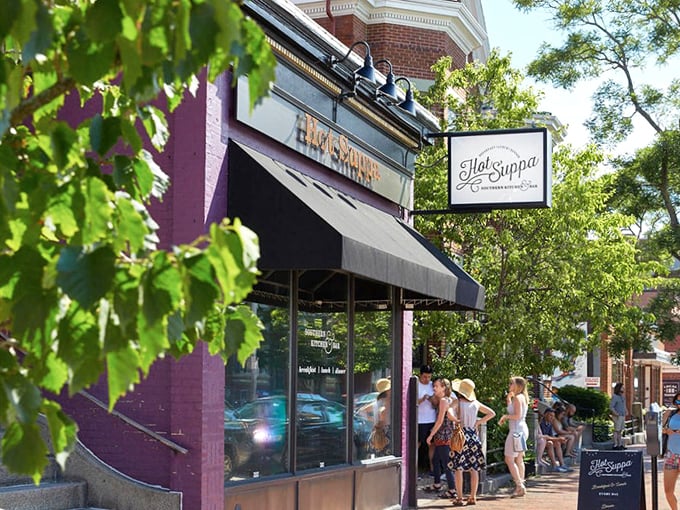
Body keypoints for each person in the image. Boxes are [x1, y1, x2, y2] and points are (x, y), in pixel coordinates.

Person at [450, 378, 496, 507]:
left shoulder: (458, 402)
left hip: (461, 436)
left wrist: (455, 419)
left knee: (458, 468)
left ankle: (459, 498)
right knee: (474, 468)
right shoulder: (476, 403)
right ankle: (472, 496)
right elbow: (492, 413)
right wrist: (478, 422)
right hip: (473, 437)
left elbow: (448, 412)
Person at [424, 378, 458, 499]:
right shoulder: (447, 400)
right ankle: (437, 484)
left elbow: (439, 421)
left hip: (443, 436)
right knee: (436, 460)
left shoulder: (443, 400)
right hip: (444, 435)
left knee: (446, 463)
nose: (434, 388)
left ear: (444, 387)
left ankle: (452, 489)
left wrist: (431, 435)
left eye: (436, 386)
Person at [499, 376, 529, 497]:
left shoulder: (518, 398)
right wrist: (508, 399)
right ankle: (520, 485)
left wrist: (505, 417)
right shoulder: (522, 398)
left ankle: (519, 485)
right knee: (519, 459)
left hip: (516, 431)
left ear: (518, 386)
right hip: (521, 429)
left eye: (511, 383)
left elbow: (516, 415)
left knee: (509, 459)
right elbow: (514, 410)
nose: (509, 386)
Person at [537, 408, 571, 472]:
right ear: (545, 415)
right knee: (550, 443)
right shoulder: (541, 422)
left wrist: (560, 440)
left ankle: (562, 464)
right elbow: (545, 437)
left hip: (545, 441)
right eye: (550, 415)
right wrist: (558, 439)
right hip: (541, 441)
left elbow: (551, 436)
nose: (552, 418)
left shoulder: (550, 424)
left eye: (553, 416)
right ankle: (554, 465)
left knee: (557, 443)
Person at [417, 365, 437, 473]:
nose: (427, 379)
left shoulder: (432, 385)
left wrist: (431, 399)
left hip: (431, 419)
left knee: (432, 444)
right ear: (420, 375)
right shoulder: (416, 385)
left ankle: (432, 468)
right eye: (425, 377)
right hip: (419, 420)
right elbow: (411, 402)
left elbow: (436, 403)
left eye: (429, 377)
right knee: (417, 443)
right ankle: (413, 468)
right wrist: (421, 400)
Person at [663, 391, 680, 510]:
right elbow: (658, 428)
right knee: (668, 492)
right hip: (671, 457)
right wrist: (666, 430)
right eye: (678, 401)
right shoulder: (670, 413)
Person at [368, 378, 392, 456]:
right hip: (384, 434)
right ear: (388, 391)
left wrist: (373, 420)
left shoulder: (377, 403)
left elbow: (361, 412)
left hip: (378, 433)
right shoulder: (386, 403)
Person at [610, 382, 627, 450]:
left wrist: (626, 410)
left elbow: (624, 405)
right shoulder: (615, 396)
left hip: (622, 415)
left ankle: (620, 444)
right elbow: (611, 406)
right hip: (617, 416)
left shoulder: (622, 397)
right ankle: (615, 444)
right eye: (622, 387)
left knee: (620, 431)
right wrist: (615, 413)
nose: (623, 388)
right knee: (616, 430)